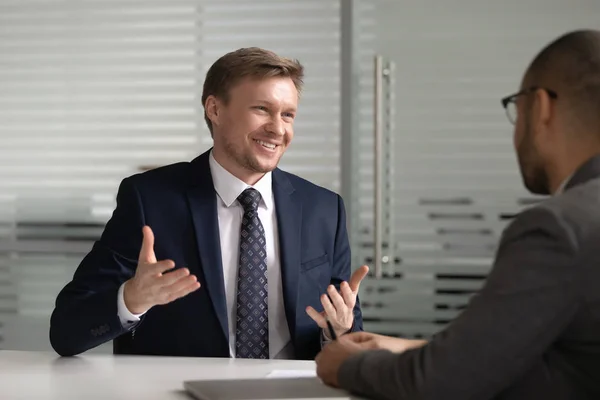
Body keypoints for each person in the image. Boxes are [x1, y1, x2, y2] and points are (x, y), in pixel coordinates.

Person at [315, 29, 600, 399]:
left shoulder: (561, 227)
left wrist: (343, 364)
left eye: (518, 108)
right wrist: (413, 350)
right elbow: (561, 356)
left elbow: (441, 383)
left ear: (542, 107)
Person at [49, 47, 367, 360]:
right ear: (214, 109)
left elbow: (345, 328)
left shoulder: (324, 209)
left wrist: (337, 331)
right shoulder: (150, 199)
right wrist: (131, 299)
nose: (278, 128)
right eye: (261, 109)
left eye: (288, 114)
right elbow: (66, 332)